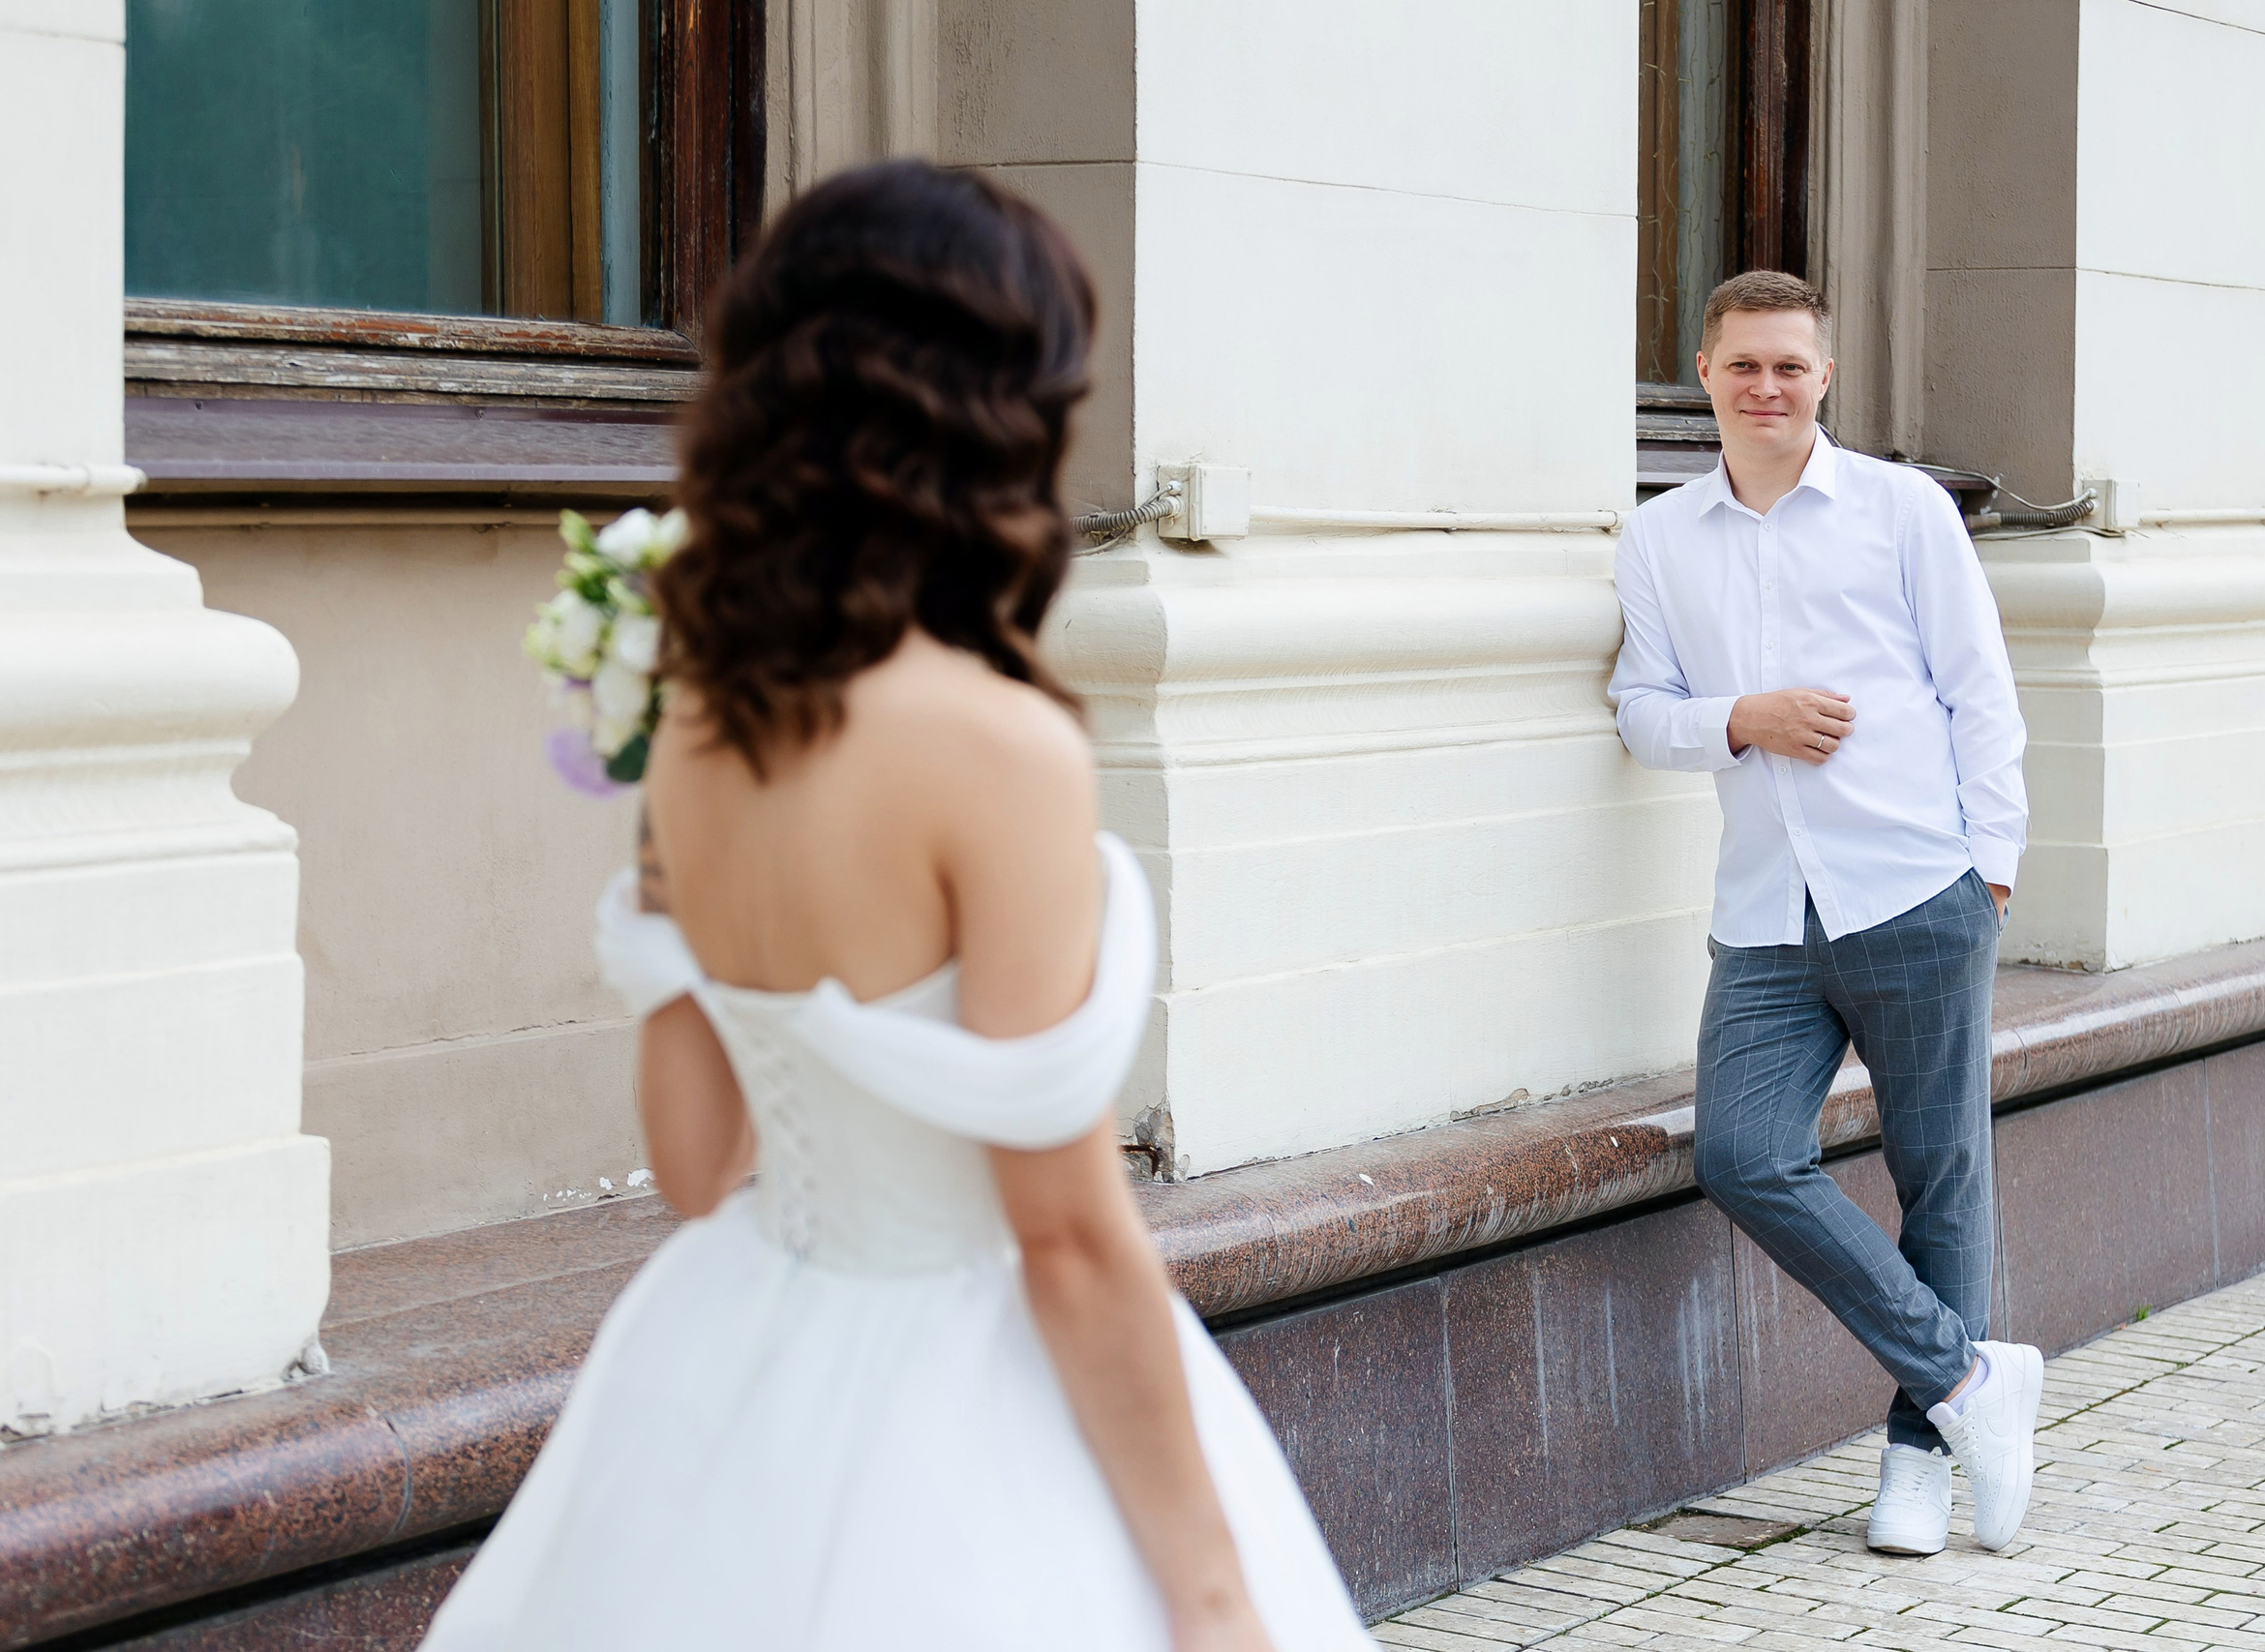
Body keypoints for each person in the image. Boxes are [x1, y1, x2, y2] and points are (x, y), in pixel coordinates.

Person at [419, 162, 1372, 1651]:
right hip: (969, 1385)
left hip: (732, 1356)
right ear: (995, 411)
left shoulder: (695, 718)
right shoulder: (996, 746)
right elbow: (1058, 1234)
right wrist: (1210, 1596)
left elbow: (692, 1160)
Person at [1608, 270, 2041, 1557]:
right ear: (1705, 374)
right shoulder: (1660, 537)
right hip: (1764, 914)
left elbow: (1981, 689)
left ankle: (1918, 1464)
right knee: (1744, 1157)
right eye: (1745, 366)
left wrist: (1993, 868)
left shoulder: (1904, 512)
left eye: (1791, 366)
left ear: (1825, 377)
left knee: (1939, 1177)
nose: (1768, 388)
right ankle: (1971, 1383)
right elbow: (1640, 709)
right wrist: (1739, 720)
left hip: (1918, 888)